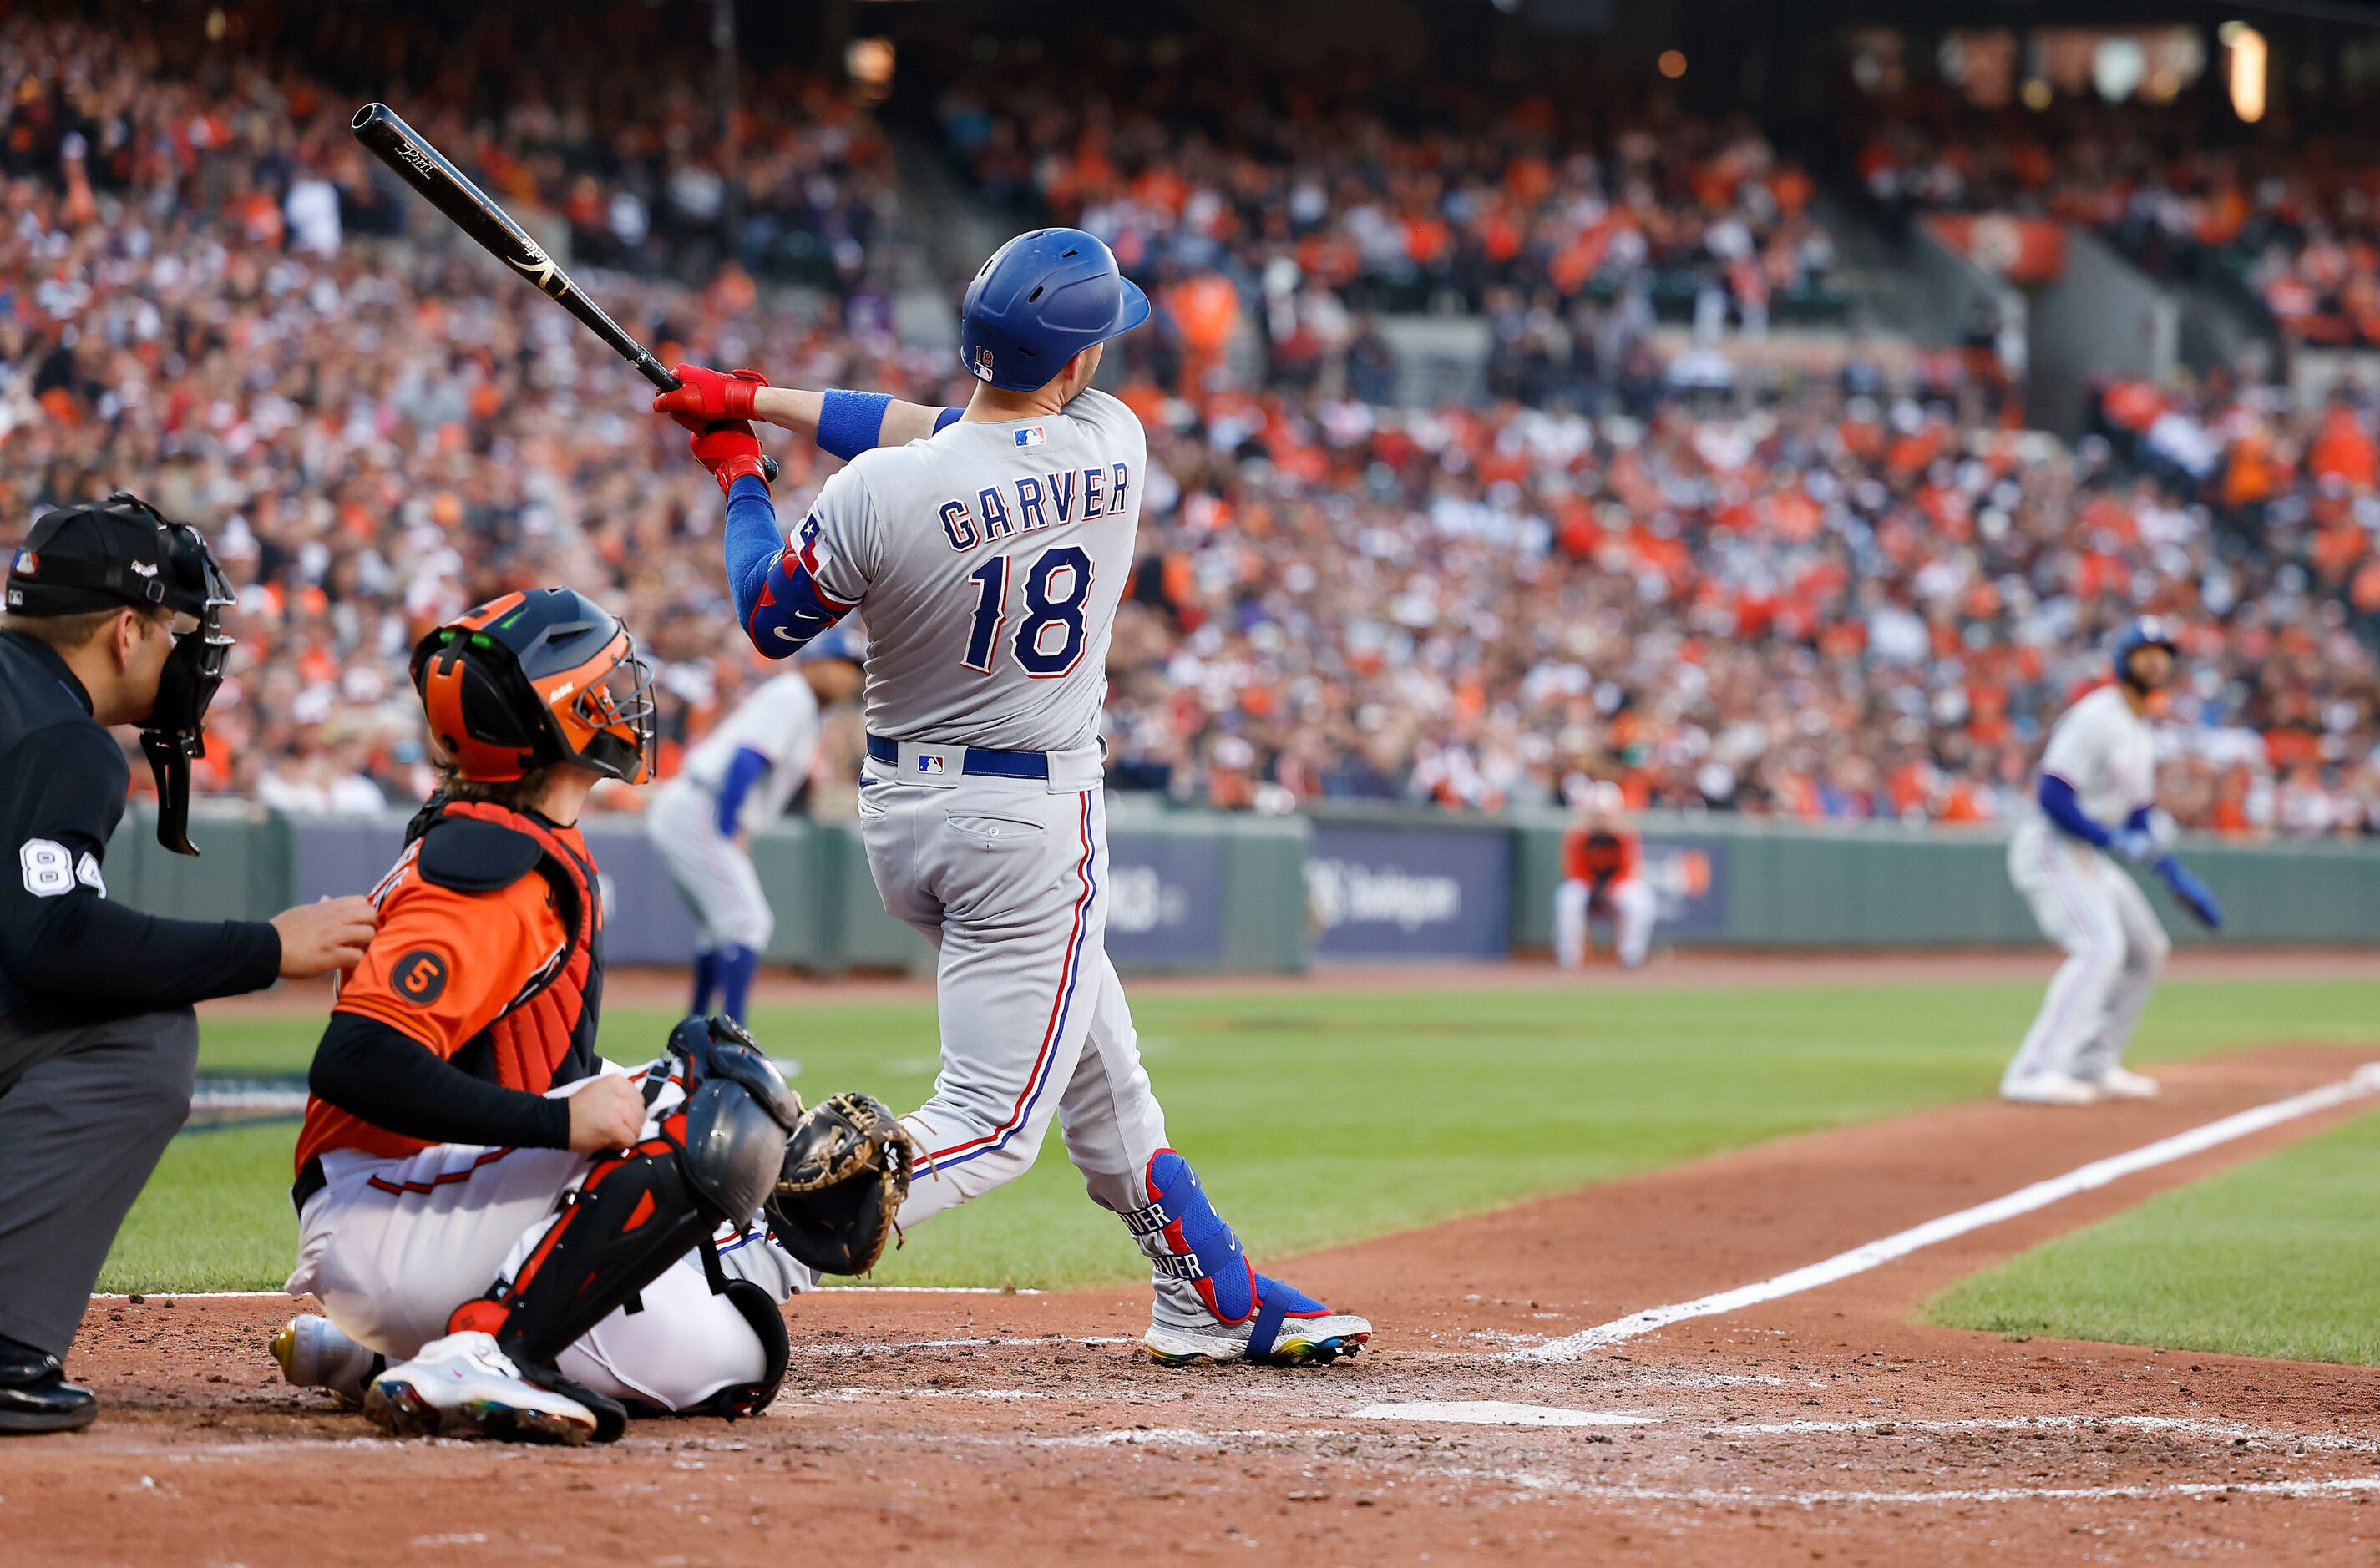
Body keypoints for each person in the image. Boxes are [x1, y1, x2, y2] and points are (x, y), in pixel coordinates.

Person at [655, 226, 1371, 1366]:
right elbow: (944, 433)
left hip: (901, 814)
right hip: (1030, 821)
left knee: (1101, 1066)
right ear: (1072, 362)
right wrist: (757, 403)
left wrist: (743, 457)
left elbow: (770, 613)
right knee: (991, 1121)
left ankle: (1207, 1288)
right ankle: (746, 1256)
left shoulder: (881, 490)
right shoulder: (1114, 442)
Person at [271, 587, 909, 1444]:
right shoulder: (492, 867)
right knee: (701, 1097)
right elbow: (356, 1061)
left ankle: (388, 1359)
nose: (626, 701)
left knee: (740, 1350)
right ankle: (488, 1352)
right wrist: (557, 1120)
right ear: (559, 714)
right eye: (606, 684)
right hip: (385, 1210)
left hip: (414, 1205)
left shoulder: (508, 830)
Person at [0, 493, 377, 1436]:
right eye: (174, 630)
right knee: (137, 1034)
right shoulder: (61, 736)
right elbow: (56, 944)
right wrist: (268, 948)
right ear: (125, 632)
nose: (188, 653)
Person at [2000, 617, 2224, 1105]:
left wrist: (2174, 876)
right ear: (2123, 660)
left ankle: (2093, 1062)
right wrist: (2113, 839)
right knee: (2099, 947)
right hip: (2051, 847)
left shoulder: (2141, 727)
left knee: (2147, 950)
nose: (2156, 661)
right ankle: (2032, 1070)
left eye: (2163, 653)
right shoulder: (2096, 716)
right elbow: (2054, 797)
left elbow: (2139, 816)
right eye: (2146, 652)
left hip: (2088, 853)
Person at [647, 628, 864, 1022]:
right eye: (840, 665)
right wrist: (731, 825)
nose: (849, 677)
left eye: (855, 669)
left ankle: (697, 1034)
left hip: (693, 804)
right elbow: (747, 759)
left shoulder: (805, 705)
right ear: (813, 662)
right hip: (705, 804)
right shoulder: (794, 695)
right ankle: (736, 1042)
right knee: (748, 921)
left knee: (722, 926)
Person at [1554, 781, 1656, 969]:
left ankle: (1631, 955)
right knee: (1568, 897)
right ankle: (1570, 958)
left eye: (1606, 814)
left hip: (1617, 886)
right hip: (1585, 884)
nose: (1602, 819)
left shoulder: (1625, 834)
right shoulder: (1578, 834)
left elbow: (1629, 870)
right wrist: (1594, 888)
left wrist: (1608, 889)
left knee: (1640, 900)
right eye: (1598, 813)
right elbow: (1574, 870)